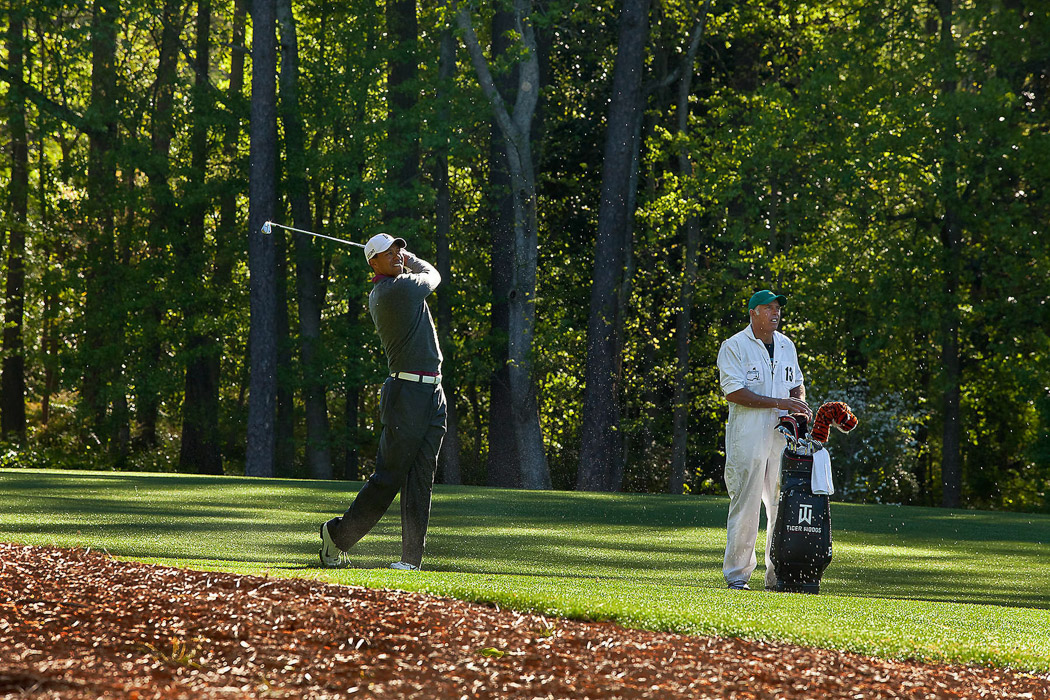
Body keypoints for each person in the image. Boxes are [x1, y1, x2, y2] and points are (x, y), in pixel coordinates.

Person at [319, 233, 447, 571]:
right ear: (372, 263)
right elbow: (433, 275)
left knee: (422, 478)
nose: (396, 255)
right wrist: (414, 258)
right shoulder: (394, 291)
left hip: (433, 392)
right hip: (407, 395)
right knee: (389, 478)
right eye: (387, 253)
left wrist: (405, 259)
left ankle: (410, 561)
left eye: (398, 250)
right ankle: (337, 534)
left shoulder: (399, 285)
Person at [716, 290, 811, 590]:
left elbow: (797, 385)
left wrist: (798, 409)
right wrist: (781, 403)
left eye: (778, 308)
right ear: (753, 313)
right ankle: (737, 576)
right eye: (768, 307)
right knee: (746, 504)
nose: (775, 313)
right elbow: (734, 393)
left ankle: (778, 574)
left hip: (781, 438)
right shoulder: (734, 346)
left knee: (781, 506)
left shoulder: (786, 345)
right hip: (748, 437)